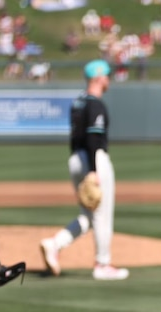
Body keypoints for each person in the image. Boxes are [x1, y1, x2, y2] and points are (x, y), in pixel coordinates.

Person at [39, 59, 129, 281]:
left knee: (88, 216)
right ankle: (103, 264)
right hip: (93, 158)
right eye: (106, 75)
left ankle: (55, 244)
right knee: (102, 216)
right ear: (99, 78)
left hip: (75, 158)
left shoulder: (78, 102)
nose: (108, 79)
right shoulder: (96, 104)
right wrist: (93, 170)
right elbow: (93, 137)